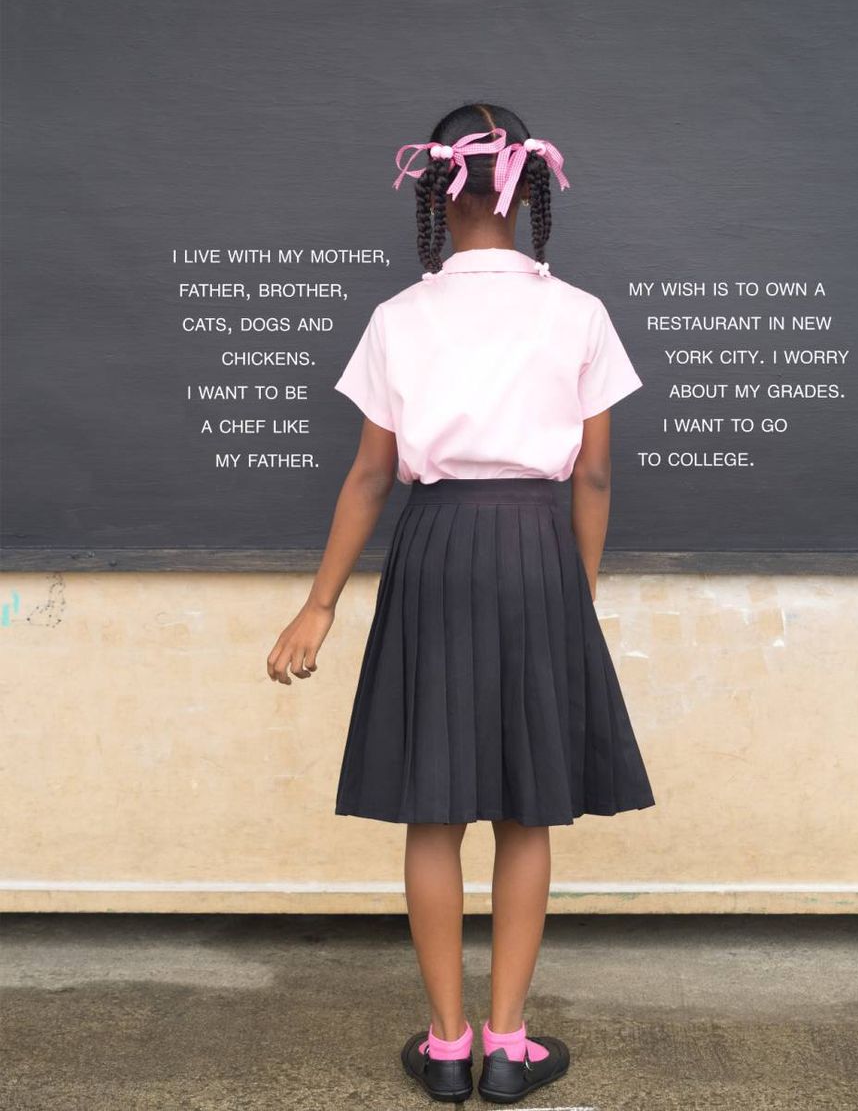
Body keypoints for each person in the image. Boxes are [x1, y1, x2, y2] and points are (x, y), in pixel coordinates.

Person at [266, 101, 656, 1105]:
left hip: (433, 546)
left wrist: (319, 605)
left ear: (436, 194)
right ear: (530, 191)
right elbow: (597, 479)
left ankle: (445, 1047)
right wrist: (575, 593)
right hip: (538, 550)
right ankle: (510, 1042)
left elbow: (367, 477)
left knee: (433, 809)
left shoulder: (400, 318)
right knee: (528, 810)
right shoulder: (577, 314)